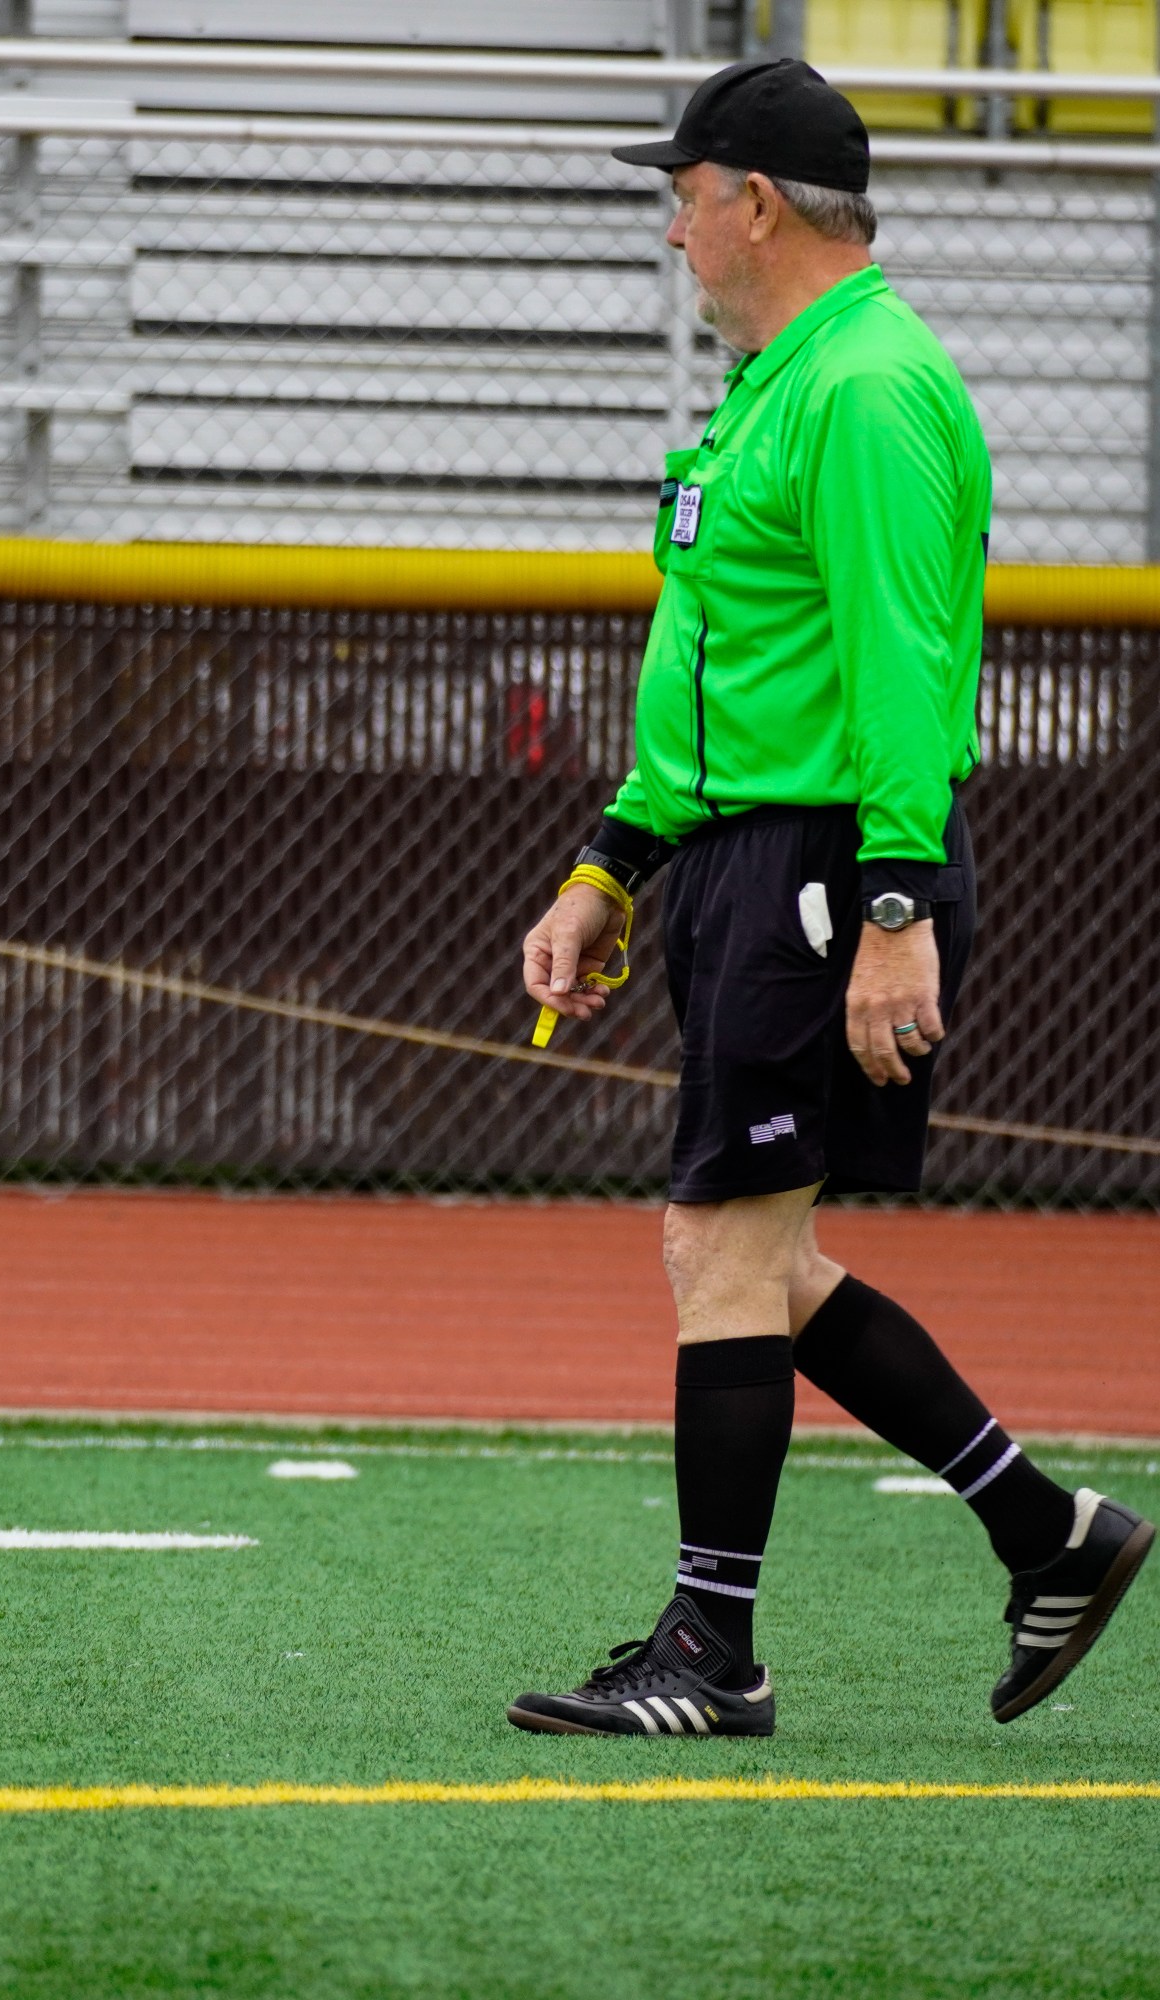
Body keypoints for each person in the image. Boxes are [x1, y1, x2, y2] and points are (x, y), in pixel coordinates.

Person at [507, 56, 1152, 1739]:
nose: (673, 232)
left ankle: (713, 1653)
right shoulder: (786, 382)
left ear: (755, 203)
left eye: (684, 198)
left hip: (823, 870)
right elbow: (721, 668)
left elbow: (900, 674)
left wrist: (894, 909)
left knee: (723, 1248)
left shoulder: (864, 388)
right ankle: (1049, 1533)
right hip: (754, 863)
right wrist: (610, 864)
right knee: (753, 1257)